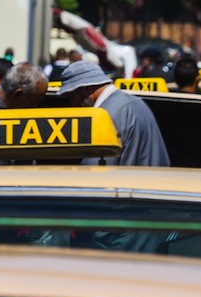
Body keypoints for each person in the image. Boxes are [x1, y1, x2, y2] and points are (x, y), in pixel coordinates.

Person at [59, 59, 170, 252]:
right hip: (149, 224)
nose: (72, 105)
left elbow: (92, 181)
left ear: (84, 91)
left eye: (71, 98)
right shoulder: (133, 103)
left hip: (120, 232)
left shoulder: (105, 116)